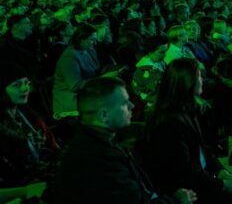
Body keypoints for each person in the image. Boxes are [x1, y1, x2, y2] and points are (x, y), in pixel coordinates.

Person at [54, 76, 197, 204]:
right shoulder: (99, 160)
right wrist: (177, 200)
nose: (131, 106)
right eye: (124, 103)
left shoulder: (95, 143)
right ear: (104, 115)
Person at [141, 59, 232, 204]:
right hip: (189, 192)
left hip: (204, 177)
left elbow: (203, 149)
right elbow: (186, 174)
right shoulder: (168, 124)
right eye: (199, 76)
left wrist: (221, 172)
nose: (202, 80)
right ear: (187, 82)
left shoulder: (187, 108)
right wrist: (223, 185)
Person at [0, 61, 58, 202]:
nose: (25, 88)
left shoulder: (26, 113)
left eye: (27, 82)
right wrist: (26, 191)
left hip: (44, 179)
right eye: (16, 85)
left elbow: (49, 145)